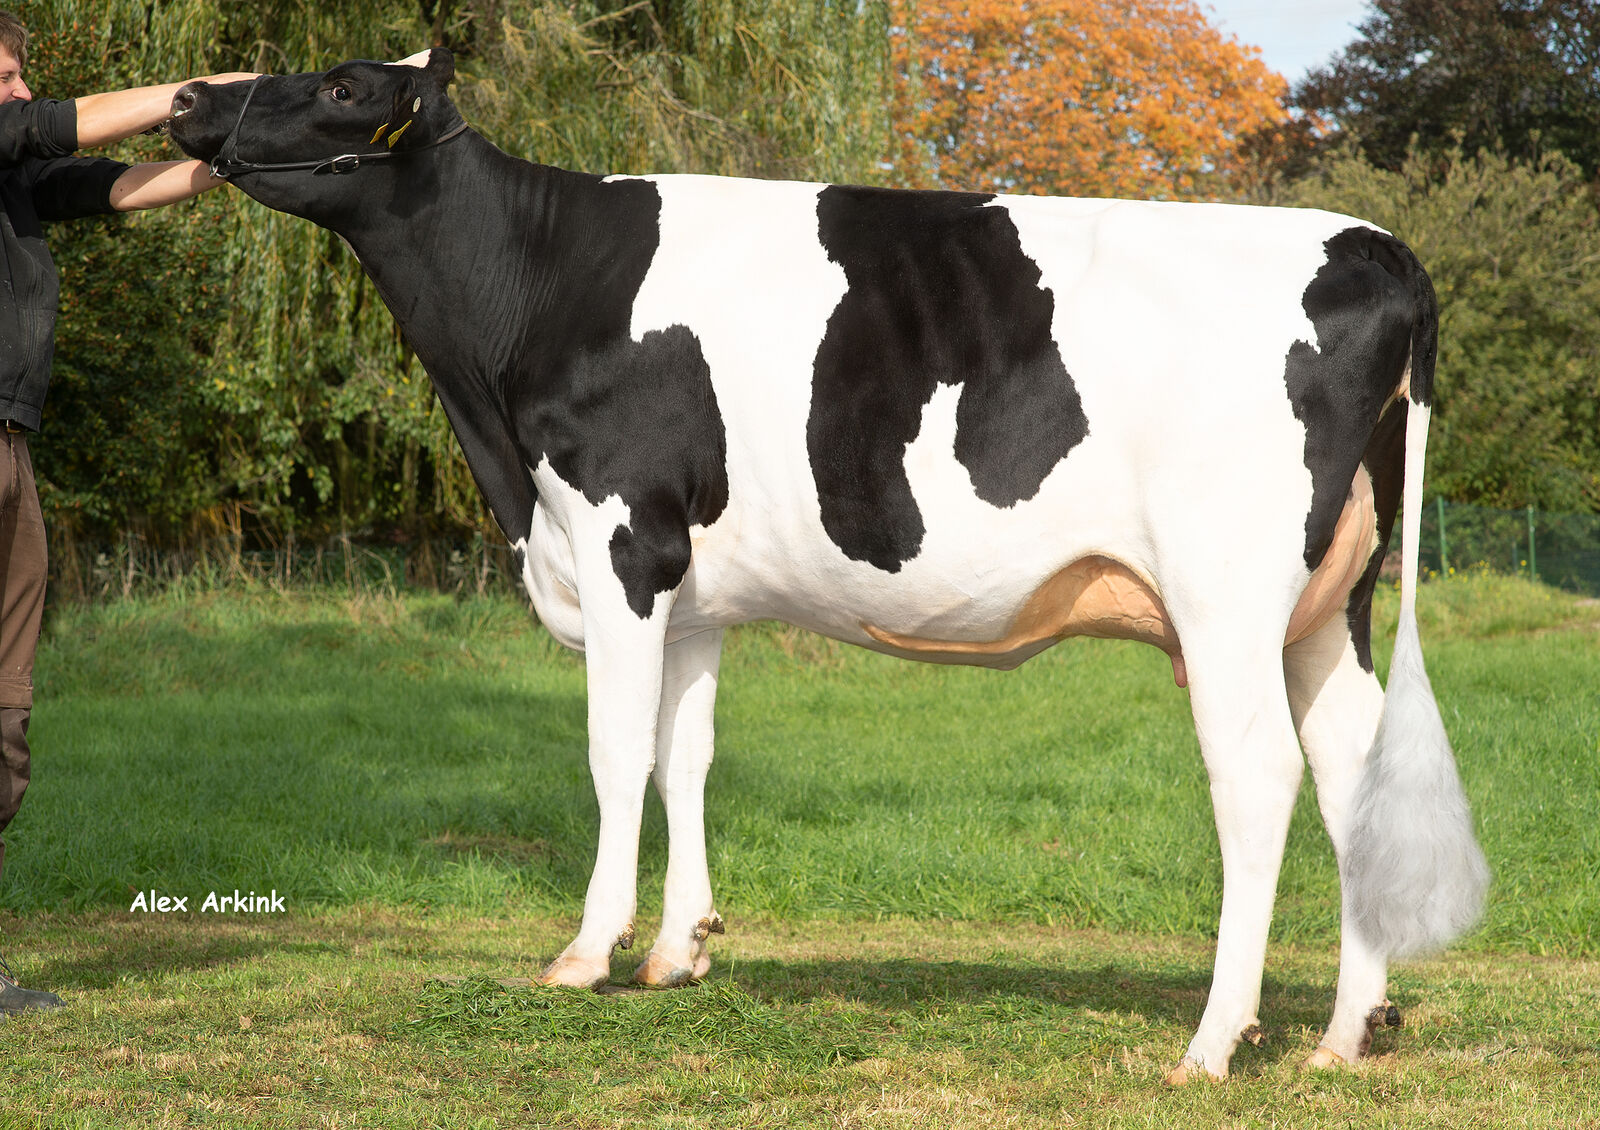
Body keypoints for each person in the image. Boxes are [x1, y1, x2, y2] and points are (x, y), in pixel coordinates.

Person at [0, 10, 254, 1014]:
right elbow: (57, 130)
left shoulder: (11, 185)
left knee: (5, 718)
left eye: (21, 74)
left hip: (13, 450)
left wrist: (239, 156)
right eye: (5, 73)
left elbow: (108, 186)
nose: (20, 89)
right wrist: (194, 93)